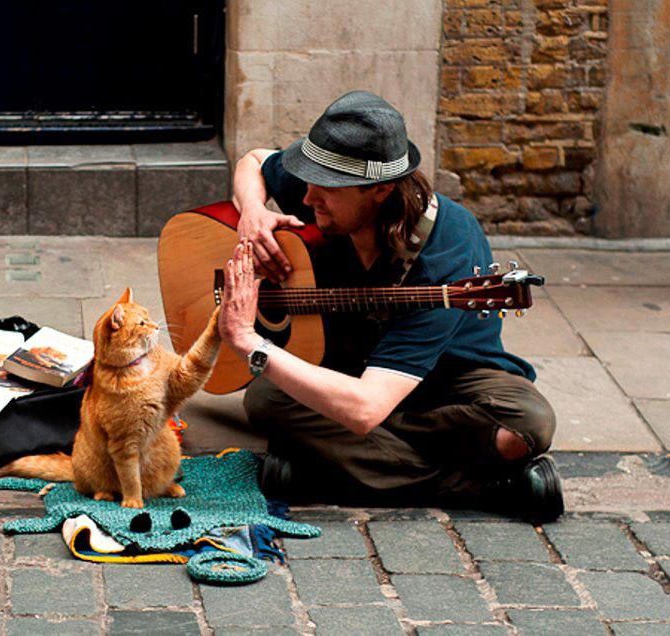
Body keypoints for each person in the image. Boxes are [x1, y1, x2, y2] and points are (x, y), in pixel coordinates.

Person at [216, 90, 563, 522]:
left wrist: (249, 342)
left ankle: (324, 469)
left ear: (380, 190)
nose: (307, 199)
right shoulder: (326, 183)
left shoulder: (447, 251)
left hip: (447, 377)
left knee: (525, 425)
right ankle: (485, 487)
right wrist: (251, 212)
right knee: (269, 397)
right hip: (346, 362)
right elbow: (253, 160)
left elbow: (365, 410)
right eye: (308, 180)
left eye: (325, 189)